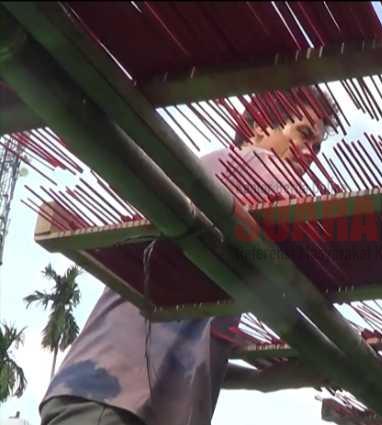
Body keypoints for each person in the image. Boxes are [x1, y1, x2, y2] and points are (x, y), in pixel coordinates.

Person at [38, 89, 332, 425]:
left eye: (317, 147)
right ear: (259, 126)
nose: (309, 154)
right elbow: (323, 235)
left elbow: (187, 358)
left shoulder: (236, 241)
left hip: (115, 399)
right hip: (111, 399)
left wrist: (261, 381)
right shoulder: (245, 165)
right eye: (303, 134)